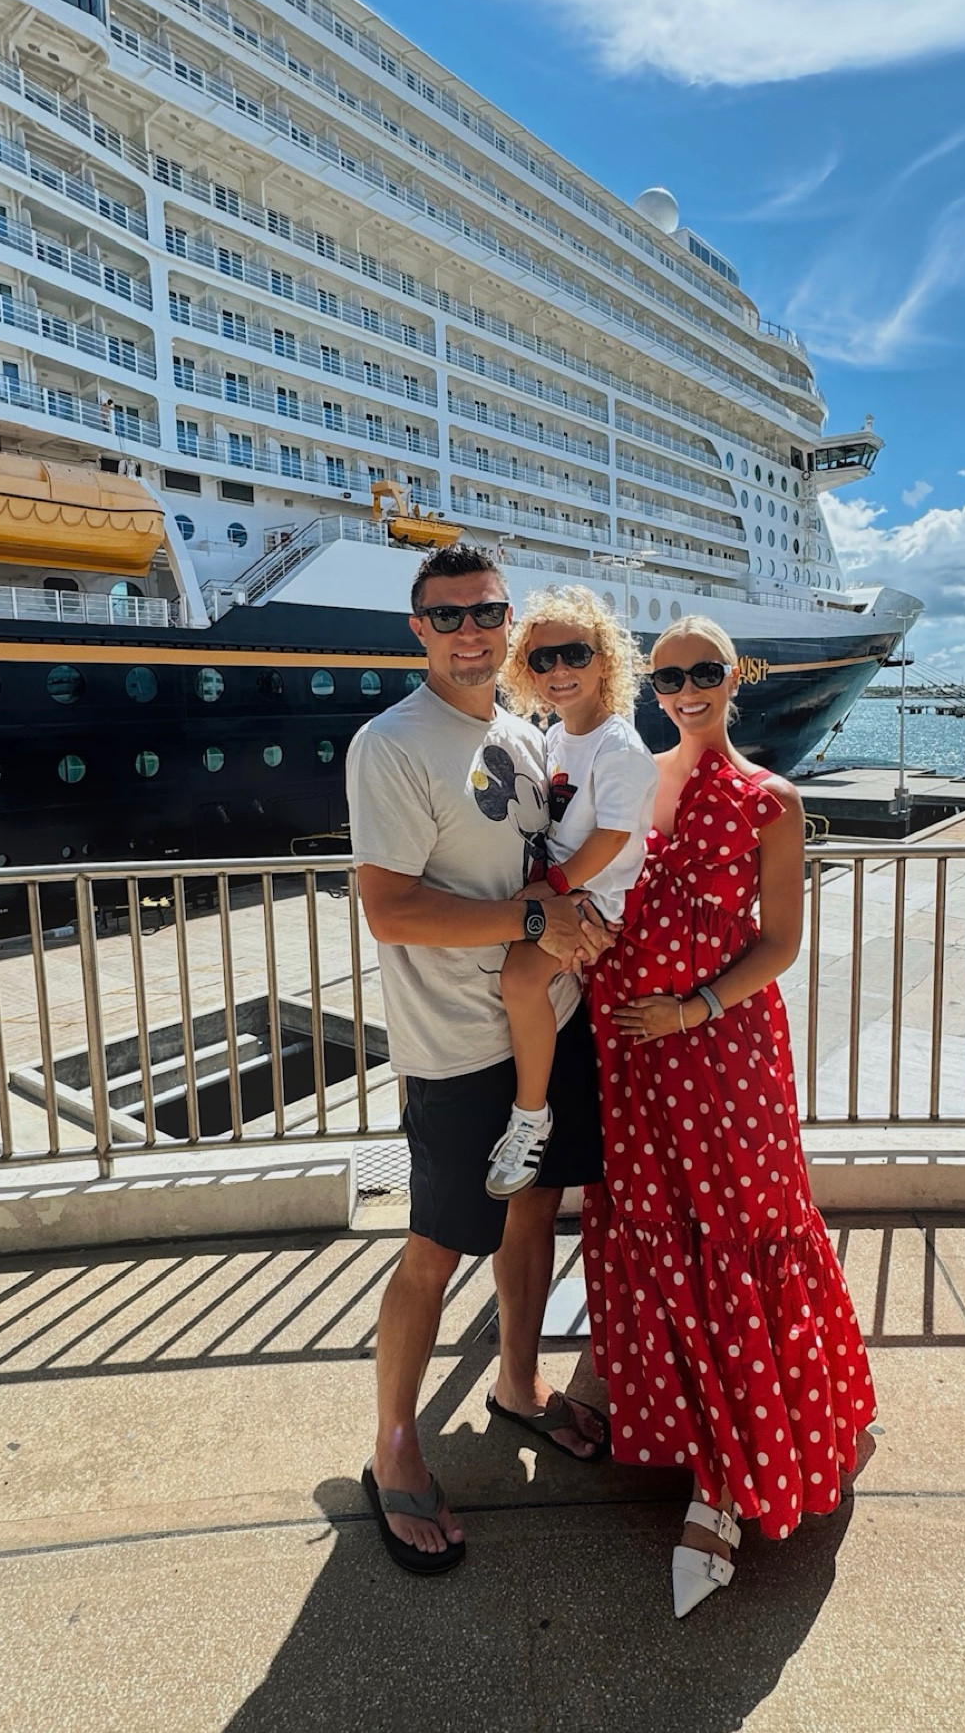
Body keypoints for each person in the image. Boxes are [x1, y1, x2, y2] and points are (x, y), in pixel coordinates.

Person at [580, 616, 878, 1618]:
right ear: (652, 684)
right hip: (635, 1065)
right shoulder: (631, 779)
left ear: (734, 677)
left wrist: (689, 1008)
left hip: (725, 1057)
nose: (687, 688)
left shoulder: (768, 799)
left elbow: (780, 943)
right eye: (669, 674)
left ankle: (732, 1478)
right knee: (661, 1236)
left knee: (745, 1234)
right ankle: (704, 1435)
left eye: (704, 671)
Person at [347, 542, 613, 1576]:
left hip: (547, 1017)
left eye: (485, 612)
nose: (469, 630)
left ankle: (516, 1379)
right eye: (446, 615)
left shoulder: (521, 730)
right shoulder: (392, 743)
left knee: (537, 1207)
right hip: (457, 1044)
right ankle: (394, 1442)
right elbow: (390, 906)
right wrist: (535, 913)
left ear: (508, 623)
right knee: (435, 1244)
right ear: (417, 629)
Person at [485, 586, 658, 1200]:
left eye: (575, 654)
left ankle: (532, 1117)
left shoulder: (619, 745)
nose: (559, 670)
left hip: (590, 899)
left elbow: (613, 837)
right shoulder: (554, 740)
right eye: (542, 659)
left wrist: (553, 889)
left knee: (520, 981)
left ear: (605, 661)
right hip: (564, 890)